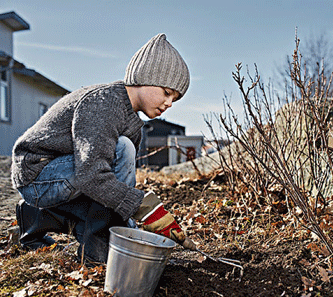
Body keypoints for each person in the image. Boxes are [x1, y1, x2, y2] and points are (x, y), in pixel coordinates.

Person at [11, 33, 196, 264]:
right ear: (143, 78)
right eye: (167, 92)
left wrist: (130, 225)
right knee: (122, 149)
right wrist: (142, 206)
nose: (169, 103)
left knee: (104, 210)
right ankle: (96, 252)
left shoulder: (132, 123)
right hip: (37, 175)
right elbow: (91, 177)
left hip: (68, 174)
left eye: (175, 99)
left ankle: (37, 216)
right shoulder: (103, 104)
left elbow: (113, 186)